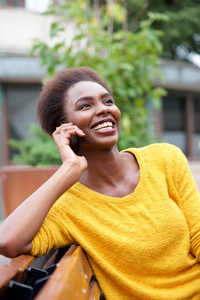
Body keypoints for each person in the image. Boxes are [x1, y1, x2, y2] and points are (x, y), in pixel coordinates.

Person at [0, 67, 200, 300]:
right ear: (65, 127)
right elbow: (7, 241)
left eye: (107, 101)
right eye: (86, 105)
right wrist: (69, 169)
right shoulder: (68, 208)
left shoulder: (165, 159)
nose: (103, 109)